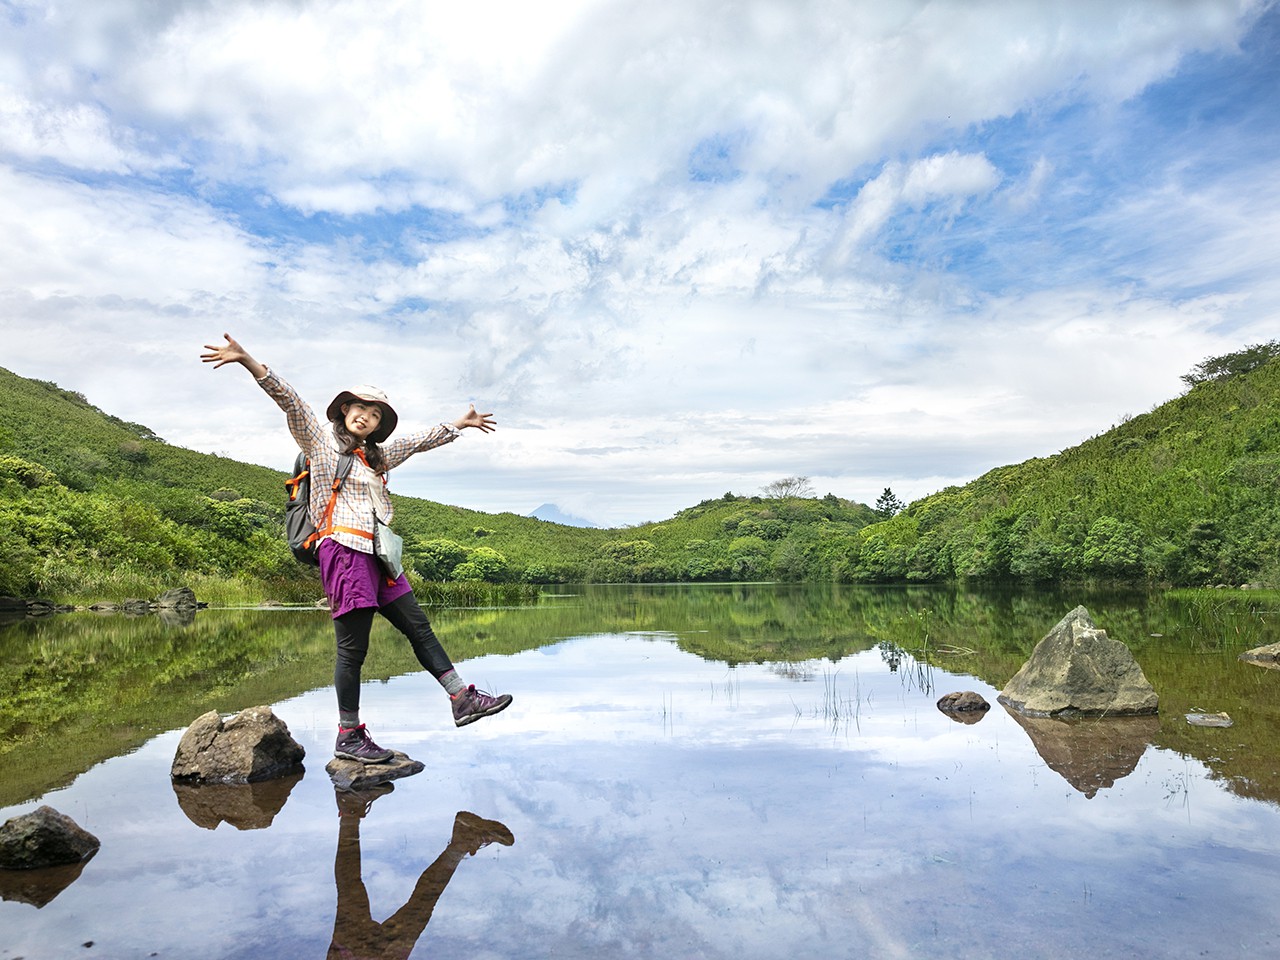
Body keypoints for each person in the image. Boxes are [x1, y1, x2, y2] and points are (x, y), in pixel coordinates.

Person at [201, 333, 512, 763]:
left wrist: (459, 424)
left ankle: (462, 699)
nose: (365, 416)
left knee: (418, 627)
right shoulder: (321, 447)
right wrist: (248, 361)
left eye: (374, 413)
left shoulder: (377, 457)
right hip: (344, 553)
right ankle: (349, 734)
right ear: (344, 410)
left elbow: (419, 441)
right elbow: (290, 402)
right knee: (353, 648)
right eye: (359, 408)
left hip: (381, 556)